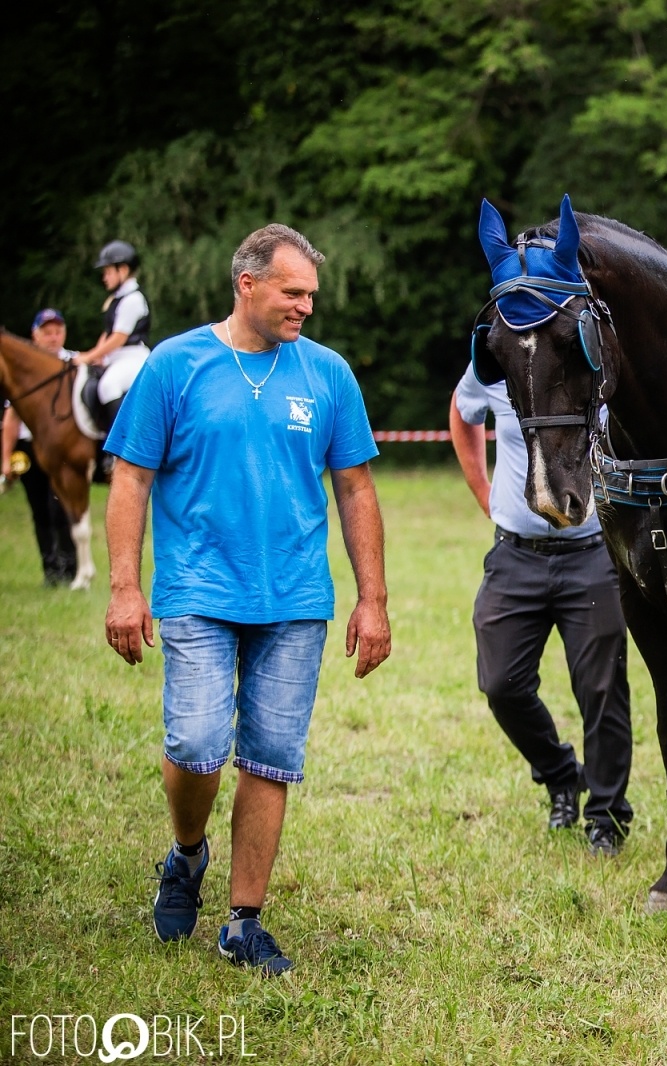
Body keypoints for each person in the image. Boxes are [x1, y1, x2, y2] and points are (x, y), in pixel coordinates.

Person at [102, 223, 391, 977]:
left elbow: (355, 488)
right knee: (197, 746)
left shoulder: (328, 374)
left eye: (311, 296)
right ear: (248, 284)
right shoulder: (176, 365)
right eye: (293, 292)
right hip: (198, 590)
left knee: (271, 759)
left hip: (295, 599)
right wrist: (125, 587)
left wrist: (374, 600)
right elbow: (130, 478)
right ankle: (187, 853)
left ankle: (243, 922)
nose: (306, 307)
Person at [449, 368, 633, 855]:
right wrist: (483, 490)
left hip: (592, 553)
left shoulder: (595, 360)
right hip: (515, 554)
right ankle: (561, 774)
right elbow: (463, 409)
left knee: (602, 689)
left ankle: (607, 816)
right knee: (501, 684)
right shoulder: (499, 359)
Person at [2, 309, 78, 584]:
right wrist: (5, 458)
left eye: (58, 331)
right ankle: (50, 569)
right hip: (29, 445)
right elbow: (12, 417)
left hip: (62, 447)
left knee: (60, 507)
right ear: (35, 335)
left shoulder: (74, 362)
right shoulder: (25, 368)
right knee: (39, 509)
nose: (53, 337)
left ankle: (70, 565)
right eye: (47, 332)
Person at [72, 240, 152, 427]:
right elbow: (108, 333)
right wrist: (96, 355)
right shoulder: (117, 299)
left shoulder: (133, 299)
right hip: (117, 357)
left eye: (108, 272)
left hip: (133, 357)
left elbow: (118, 338)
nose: (104, 277)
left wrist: (89, 356)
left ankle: (122, 439)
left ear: (122, 270)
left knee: (108, 385)